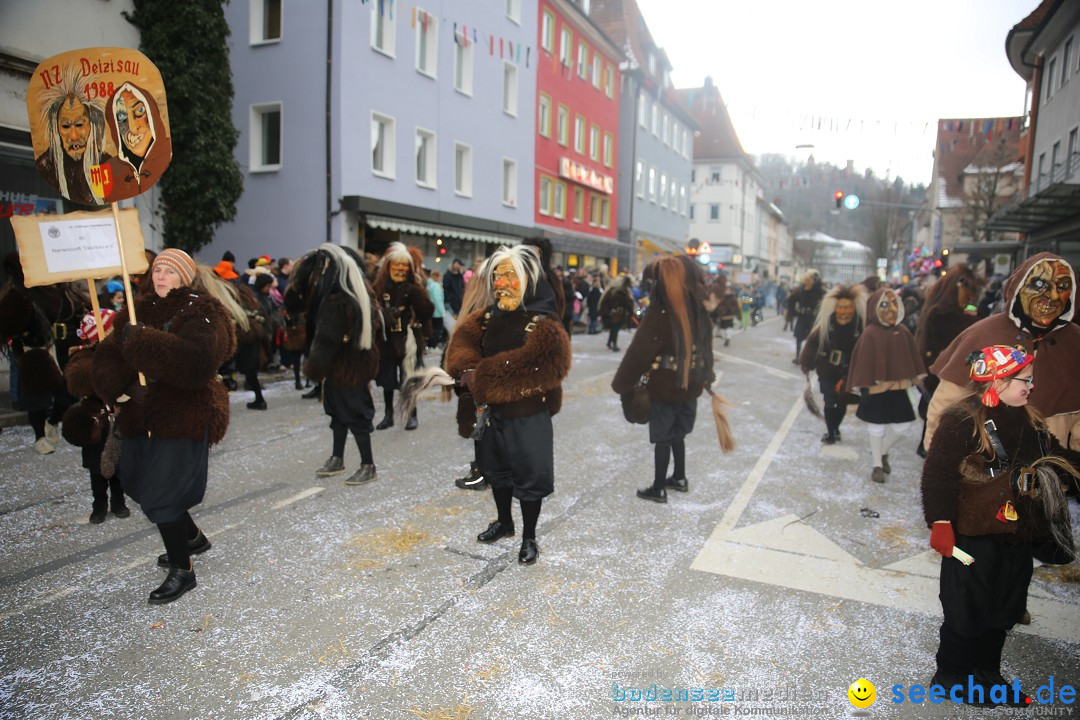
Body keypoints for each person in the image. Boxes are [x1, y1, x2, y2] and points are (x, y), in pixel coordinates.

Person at [921, 345, 1080, 704]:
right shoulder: (963, 419)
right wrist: (941, 522)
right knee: (967, 606)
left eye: (1031, 379)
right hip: (972, 535)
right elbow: (938, 474)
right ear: (999, 380)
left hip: (1018, 533)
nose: (1031, 386)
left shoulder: (1031, 420)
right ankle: (951, 675)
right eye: (1025, 380)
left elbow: (1055, 458)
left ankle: (987, 673)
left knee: (1005, 606)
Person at [91, 249, 236, 604]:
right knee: (134, 478)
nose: (161, 277)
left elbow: (196, 363)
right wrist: (122, 388)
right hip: (142, 415)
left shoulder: (203, 311)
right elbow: (109, 356)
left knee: (161, 493)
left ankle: (182, 568)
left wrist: (143, 342)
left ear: (184, 278)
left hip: (184, 415)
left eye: (170, 272)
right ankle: (192, 537)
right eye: (158, 270)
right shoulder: (137, 310)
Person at [444, 245, 571, 564]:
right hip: (491, 414)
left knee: (530, 477)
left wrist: (482, 377)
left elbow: (545, 363)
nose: (501, 284)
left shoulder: (544, 322)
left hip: (528, 416)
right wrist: (465, 368)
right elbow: (461, 343)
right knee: (496, 471)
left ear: (527, 279)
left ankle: (529, 537)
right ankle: (505, 521)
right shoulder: (487, 317)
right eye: (497, 278)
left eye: (510, 277)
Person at [926, 253, 1080, 452]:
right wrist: (938, 463)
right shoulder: (982, 334)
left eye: (1062, 287)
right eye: (1039, 286)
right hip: (986, 463)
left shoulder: (1074, 343)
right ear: (1019, 286)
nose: (1052, 297)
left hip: (1050, 466)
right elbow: (945, 406)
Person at [612, 257, 716, 503]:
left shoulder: (661, 311)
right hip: (690, 384)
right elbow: (707, 347)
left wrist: (622, 383)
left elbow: (639, 353)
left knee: (662, 436)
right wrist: (707, 377)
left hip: (665, 386)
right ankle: (679, 477)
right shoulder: (698, 308)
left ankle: (658, 487)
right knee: (678, 434)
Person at [285, 244, 382, 486]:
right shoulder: (358, 294)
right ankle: (337, 457)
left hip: (345, 367)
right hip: (350, 365)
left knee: (355, 415)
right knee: (338, 414)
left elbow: (326, 339)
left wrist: (314, 369)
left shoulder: (337, 300)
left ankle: (368, 464)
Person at [847, 287, 926, 483]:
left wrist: (916, 380)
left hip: (898, 390)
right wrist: (864, 384)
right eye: (884, 304)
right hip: (875, 391)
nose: (890, 308)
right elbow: (862, 363)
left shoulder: (903, 331)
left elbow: (911, 359)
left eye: (893, 303)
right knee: (876, 428)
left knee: (904, 425)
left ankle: (882, 452)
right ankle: (877, 465)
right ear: (875, 308)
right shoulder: (870, 333)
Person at [61, 308, 129, 523]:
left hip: (118, 416)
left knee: (118, 464)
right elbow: (77, 383)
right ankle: (99, 505)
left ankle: (119, 501)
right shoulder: (83, 357)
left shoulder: (121, 351)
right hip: (96, 420)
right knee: (96, 467)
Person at [914, 265, 985, 455]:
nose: (970, 296)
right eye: (967, 291)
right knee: (938, 410)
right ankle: (929, 445)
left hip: (949, 372)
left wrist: (973, 316)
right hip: (943, 373)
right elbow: (953, 343)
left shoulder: (954, 312)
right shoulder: (942, 314)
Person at [372, 242, 434, 430]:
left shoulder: (412, 288)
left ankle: (411, 414)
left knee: (409, 379)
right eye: (396, 265)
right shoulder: (379, 288)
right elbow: (371, 310)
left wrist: (420, 295)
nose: (400, 268)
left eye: (404, 265)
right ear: (388, 267)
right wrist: (383, 314)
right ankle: (388, 414)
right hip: (387, 340)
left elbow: (427, 311)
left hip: (408, 340)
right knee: (387, 381)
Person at [799, 284, 867, 444]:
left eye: (848, 308)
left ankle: (835, 427)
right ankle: (830, 431)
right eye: (841, 307)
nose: (844, 311)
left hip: (850, 371)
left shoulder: (860, 327)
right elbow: (812, 344)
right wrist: (806, 362)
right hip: (828, 370)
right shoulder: (825, 325)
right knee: (829, 400)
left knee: (842, 401)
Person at [33, 66, 108, 206]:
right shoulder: (46, 167)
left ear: (94, 125)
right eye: (66, 126)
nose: (73, 136)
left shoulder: (107, 165)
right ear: (56, 130)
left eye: (80, 124)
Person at [101, 82, 172, 202]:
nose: (133, 128)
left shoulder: (168, 155)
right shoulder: (108, 171)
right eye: (122, 119)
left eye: (139, 111)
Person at [790, 270, 824, 363]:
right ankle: (798, 357)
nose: (806, 282)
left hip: (813, 318)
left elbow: (825, 302)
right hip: (802, 317)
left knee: (812, 339)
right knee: (799, 337)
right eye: (805, 279)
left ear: (813, 280)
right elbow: (791, 300)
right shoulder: (800, 290)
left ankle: (808, 358)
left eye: (808, 280)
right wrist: (794, 312)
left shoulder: (819, 290)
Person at [599, 276, 635, 351]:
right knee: (615, 328)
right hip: (617, 313)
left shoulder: (617, 290)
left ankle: (609, 342)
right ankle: (614, 344)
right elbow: (624, 300)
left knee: (614, 328)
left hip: (615, 312)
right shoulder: (622, 291)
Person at [427, 269, 446, 349]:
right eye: (440, 277)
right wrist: (442, 312)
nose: (441, 279)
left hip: (431, 311)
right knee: (438, 329)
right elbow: (438, 300)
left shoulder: (429, 285)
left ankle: (431, 344)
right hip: (437, 312)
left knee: (432, 328)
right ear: (436, 276)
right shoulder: (436, 286)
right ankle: (433, 345)